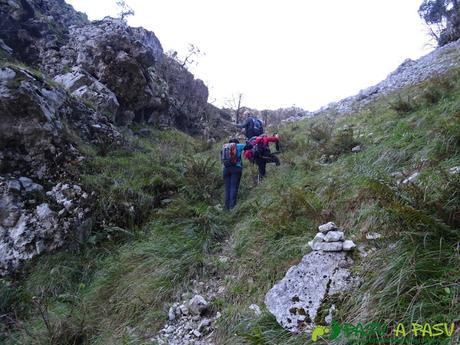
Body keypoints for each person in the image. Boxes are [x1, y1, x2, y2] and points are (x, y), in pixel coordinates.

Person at [221, 139, 252, 210]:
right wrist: (247, 142)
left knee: (227, 189)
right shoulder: (238, 145)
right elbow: (250, 146)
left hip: (226, 169)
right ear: (236, 142)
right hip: (236, 168)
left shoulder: (224, 147)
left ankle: (226, 208)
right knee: (233, 187)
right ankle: (232, 207)